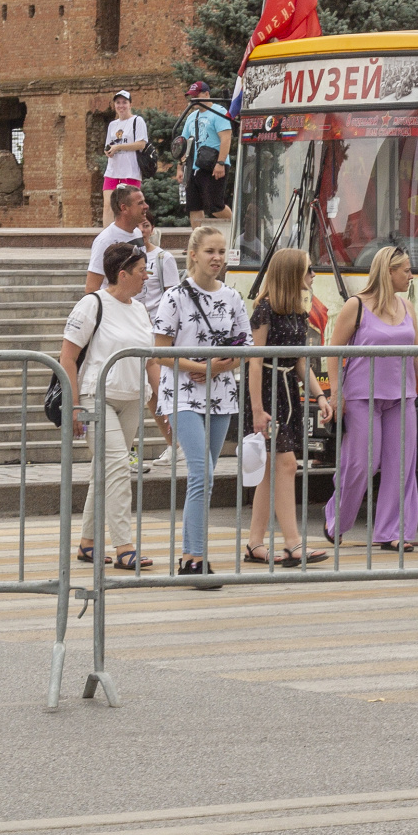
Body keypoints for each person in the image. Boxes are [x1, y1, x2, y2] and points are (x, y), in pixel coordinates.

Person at [322, 243, 418, 553]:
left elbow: (417, 354)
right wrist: (336, 394)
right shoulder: (355, 305)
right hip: (361, 397)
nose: (411, 275)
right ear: (389, 272)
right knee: (362, 463)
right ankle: (337, 518)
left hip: (402, 397)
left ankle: (391, 531)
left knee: (401, 465)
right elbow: (333, 352)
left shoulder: (407, 307)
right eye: (406, 270)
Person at [152, 224, 251, 576]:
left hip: (222, 395)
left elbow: (248, 347)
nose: (217, 258)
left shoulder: (233, 297)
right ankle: (194, 558)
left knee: (205, 476)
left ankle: (191, 554)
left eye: (222, 252)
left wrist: (220, 366)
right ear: (193, 254)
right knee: (201, 473)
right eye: (210, 251)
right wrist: (201, 366)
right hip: (182, 394)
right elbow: (160, 352)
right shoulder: (175, 296)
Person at [61, 238, 163, 575]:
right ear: (122, 274)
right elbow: (68, 357)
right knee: (118, 466)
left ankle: (88, 544)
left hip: (132, 398)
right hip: (96, 397)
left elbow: (150, 360)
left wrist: (160, 398)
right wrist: (74, 405)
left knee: (104, 472)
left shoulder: (139, 309)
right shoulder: (92, 304)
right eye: (140, 271)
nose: (146, 276)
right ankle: (124, 547)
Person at [242, 247, 329, 570]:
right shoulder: (265, 310)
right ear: (292, 273)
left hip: (288, 391)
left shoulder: (296, 311)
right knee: (287, 464)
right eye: (308, 269)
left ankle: (255, 543)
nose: (313, 275)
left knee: (269, 470)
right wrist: (256, 409)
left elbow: (302, 362)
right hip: (266, 390)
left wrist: (320, 397)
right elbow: (254, 362)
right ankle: (293, 543)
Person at [85, 182, 181, 298]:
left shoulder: (136, 233)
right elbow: (91, 287)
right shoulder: (105, 240)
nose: (146, 206)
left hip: (137, 310)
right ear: (124, 208)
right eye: (140, 203)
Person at [178, 82, 233, 229]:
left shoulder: (218, 112)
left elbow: (226, 138)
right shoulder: (191, 116)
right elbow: (183, 143)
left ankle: (236, 228)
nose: (194, 99)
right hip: (193, 166)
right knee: (194, 206)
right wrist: (180, 167)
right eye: (192, 96)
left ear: (207, 94)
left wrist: (221, 163)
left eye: (197, 95)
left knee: (215, 205)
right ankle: (198, 241)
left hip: (213, 165)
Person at [100, 91, 156, 204]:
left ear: (130, 104)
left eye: (124, 102)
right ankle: (108, 223)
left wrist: (118, 147)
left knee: (130, 205)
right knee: (108, 205)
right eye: (118, 102)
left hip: (130, 170)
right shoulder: (112, 125)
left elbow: (141, 144)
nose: (121, 106)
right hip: (112, 170)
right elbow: (109, 146)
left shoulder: (137, 121)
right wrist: (109, 151)